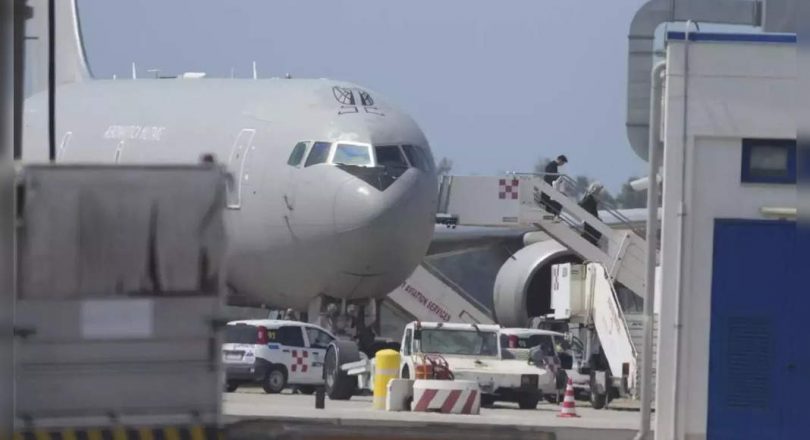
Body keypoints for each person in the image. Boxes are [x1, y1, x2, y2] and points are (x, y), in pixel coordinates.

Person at [579, 181, 603, 246]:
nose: (599, 192)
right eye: (598, 190)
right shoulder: (590, 198)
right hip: (589, 219)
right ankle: (592, 242)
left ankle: (592, 241)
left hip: (591, 218)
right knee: (592, 231)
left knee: (593, 231)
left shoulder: (591, 197)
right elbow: (582, 205)